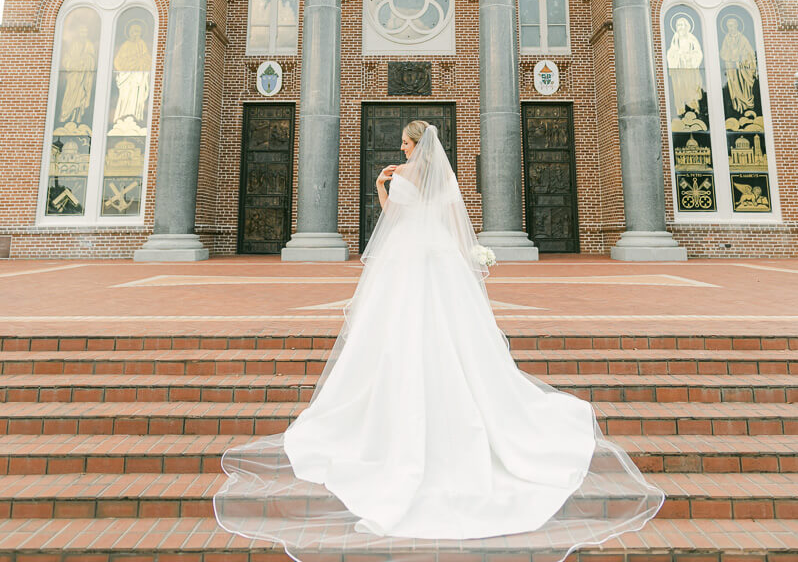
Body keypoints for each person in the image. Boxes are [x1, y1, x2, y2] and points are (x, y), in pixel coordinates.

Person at [214, 121, 664, 560]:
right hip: (440, 262)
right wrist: (462, 255)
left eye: (405, 145)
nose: (404, 151)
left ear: (413, 145)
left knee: (398, 330)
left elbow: (391, 218)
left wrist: (379, 185)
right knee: (455, 333)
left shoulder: (402, 177)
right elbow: (453, 224)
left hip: (406, 262)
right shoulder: (443, 179)